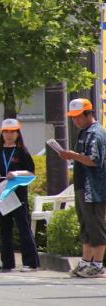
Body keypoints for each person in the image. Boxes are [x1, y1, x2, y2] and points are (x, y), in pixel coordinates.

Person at [59, 99, 106, 278]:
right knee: (85, 225)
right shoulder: (84, 133)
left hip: (94, 188)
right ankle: (86, 262)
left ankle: (98, 264)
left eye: (79, 116)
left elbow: (94, 159)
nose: (76, 121)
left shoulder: (96, 133)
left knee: (96, 225)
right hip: (82, 186)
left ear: (89, 113)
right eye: (73, 117)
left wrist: (73, 155)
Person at [0, 119, 39, 272]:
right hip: (1, 195)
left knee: (24, 227)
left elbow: (31, 173)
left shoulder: (22, 152)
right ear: (2, 134)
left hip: (18, 195)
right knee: (5, 229)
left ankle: (31, 262)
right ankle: (7, 262)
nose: (9, 135)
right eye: (6, 132)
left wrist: (16, 173)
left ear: (18, 134)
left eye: (12, 132)